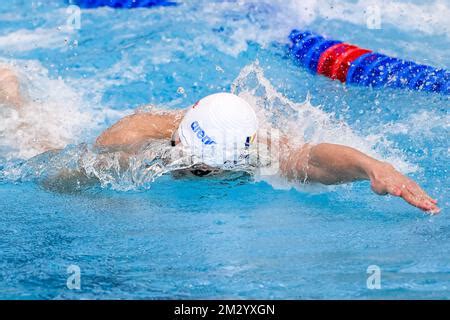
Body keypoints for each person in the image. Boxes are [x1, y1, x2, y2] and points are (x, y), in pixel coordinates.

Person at [0, 67, 440, 213]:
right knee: (41, 147)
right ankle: (15, 97)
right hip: (102, 147)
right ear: (177, 144)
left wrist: (374, 168)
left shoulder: (254, 142)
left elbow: (310, 159)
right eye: (192, 167)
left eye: (208, 171)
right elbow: (57, 176)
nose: (197, 177)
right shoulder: (130, 139)